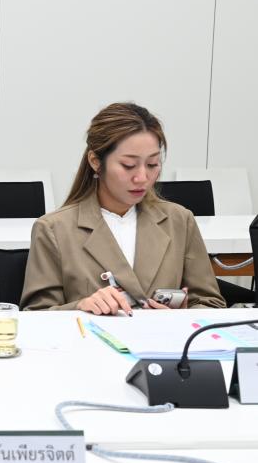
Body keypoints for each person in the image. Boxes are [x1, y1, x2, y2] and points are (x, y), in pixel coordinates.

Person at [21, 102, 225, 313]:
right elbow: (36, 315)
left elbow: (211, 303)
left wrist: (180, 318)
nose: (142, 177)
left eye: (152, 164)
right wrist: (80, 306)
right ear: (95, 161)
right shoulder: (54, 229)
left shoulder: (179, 221)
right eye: (128, 165)